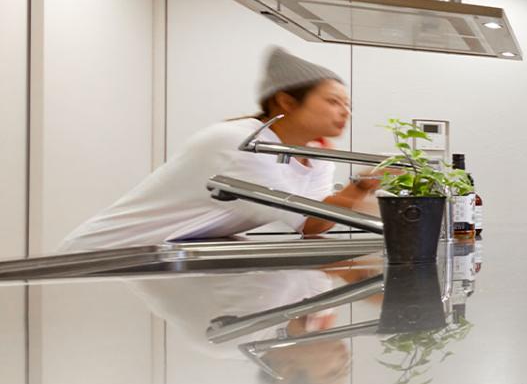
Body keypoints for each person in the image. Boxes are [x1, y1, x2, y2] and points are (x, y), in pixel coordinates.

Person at [59, 47, 380, 252]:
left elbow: (312, 225)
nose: (345, 112)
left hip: (155, 257)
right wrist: (369, 191)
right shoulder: (239, 143)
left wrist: (364, 187)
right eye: (333, 102)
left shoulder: (316, 157)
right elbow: (309, 216)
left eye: (348, 105)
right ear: (286, 101)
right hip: (103, 255)